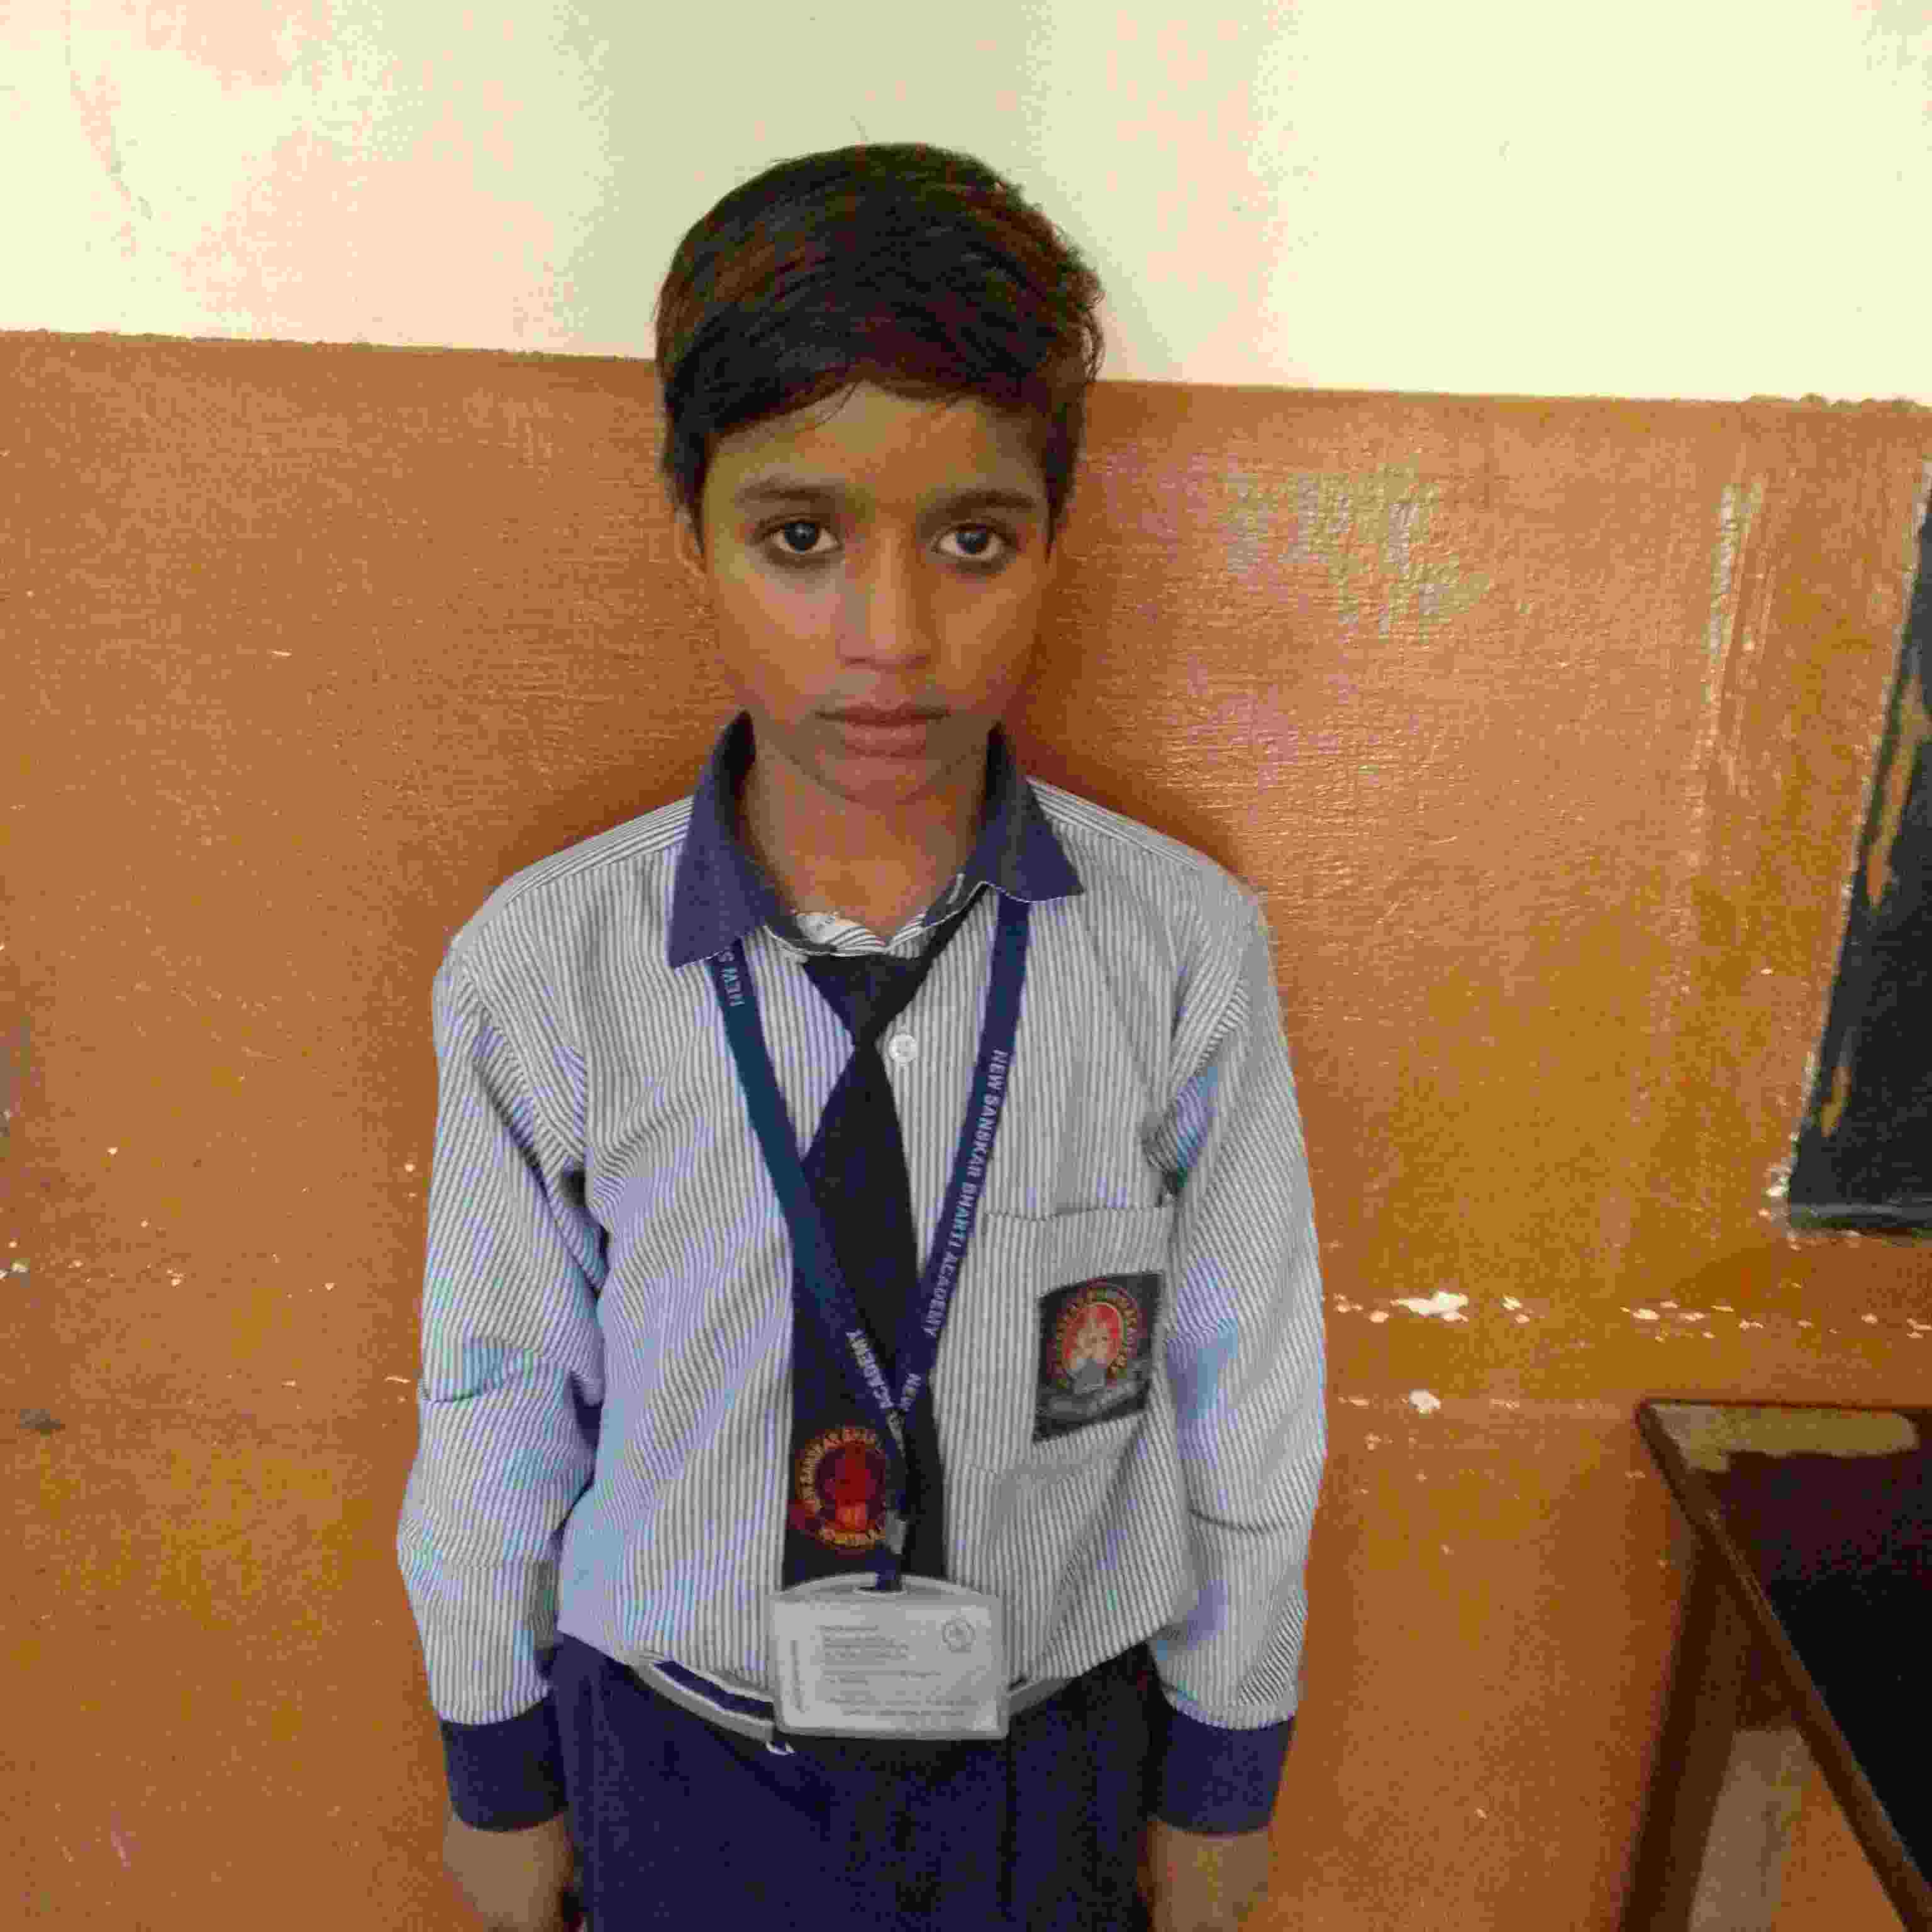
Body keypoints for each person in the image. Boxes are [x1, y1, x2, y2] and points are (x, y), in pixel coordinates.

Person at [397, 140, 1327, 1932]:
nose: (891, 638)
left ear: (1054, 540)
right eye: (800, 539)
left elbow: (1245, 1395)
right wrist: (496, 1771)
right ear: (688, 532)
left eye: (972, 540)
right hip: (677, 1754)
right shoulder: (546, 967)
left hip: (1053, 1761)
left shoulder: (1180, 952)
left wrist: (1224, 1770)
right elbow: (498, 1400)